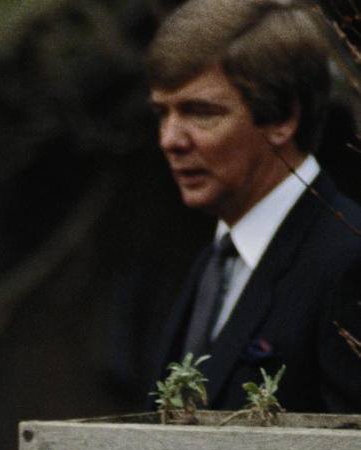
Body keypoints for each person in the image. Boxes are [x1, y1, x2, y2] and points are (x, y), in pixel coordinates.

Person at [147, 0, 361, 411]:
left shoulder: (348, 261)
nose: (170, 139)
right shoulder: (215, 264)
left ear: (282, 118)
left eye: (199, 111)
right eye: (162, 112)